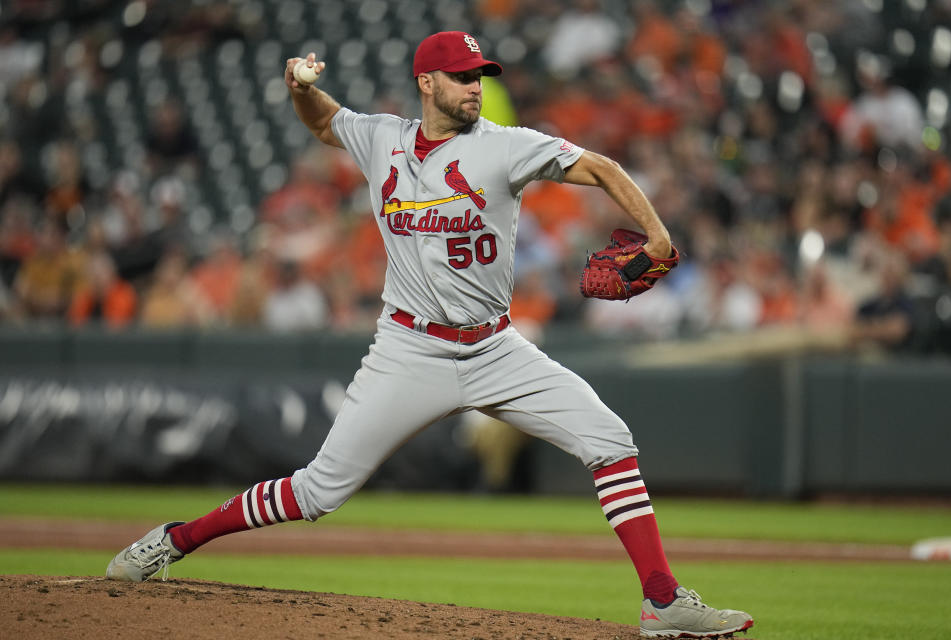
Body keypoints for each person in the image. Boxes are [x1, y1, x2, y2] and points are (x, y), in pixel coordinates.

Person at [105, 31, 753, 638]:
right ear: (427, 82)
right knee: (316, 491)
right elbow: (328, 121)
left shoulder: (505, 145)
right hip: (409, 349)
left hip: (495, 347)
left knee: (609, 439)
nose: (474, 86)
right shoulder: (382, 138)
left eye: (480, 76)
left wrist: (659, 234)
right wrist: (301, 88)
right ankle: (174, 539)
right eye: (462, 76)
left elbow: (603, 167)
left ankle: (662, 601)